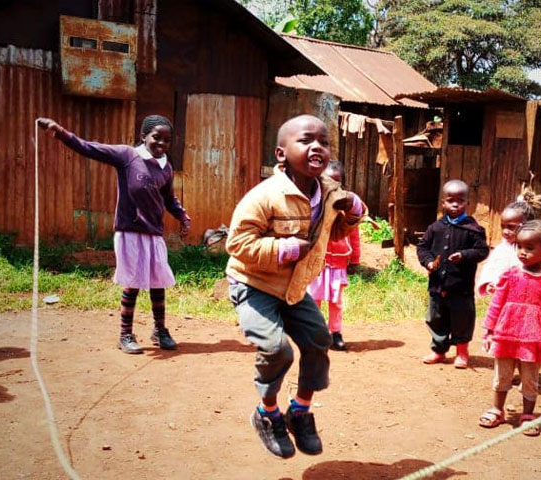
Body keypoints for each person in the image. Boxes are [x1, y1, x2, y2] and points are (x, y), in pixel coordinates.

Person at [225, 114, 367, 459]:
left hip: (294, 287)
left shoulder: (331, 192)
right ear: (281, 153)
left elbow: (336, 232)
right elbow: (237, 244)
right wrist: (282, 248)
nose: (317, 146)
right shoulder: (265, 196)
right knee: (277, 350)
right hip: (254, 283)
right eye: (306, 140)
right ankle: (267, 413)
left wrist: (353, 212)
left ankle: (300, 411)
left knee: (320, 340)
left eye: (324, 141)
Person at [37, 115, 190, 354]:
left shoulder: (166, 167)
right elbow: (89, 148)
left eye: (167, 141)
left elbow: (169, 198)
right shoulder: (128, 156)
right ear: (144, 137)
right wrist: (61, 133)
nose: (161, 144)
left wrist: (182, 215)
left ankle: (159, 330)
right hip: (130, 231)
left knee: (158, 282)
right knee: (132, 283)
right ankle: (125, 335)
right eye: (156, 138)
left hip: (154, 232)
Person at [478, 220, 541, 436]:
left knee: (530, 379)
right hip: (506, 335)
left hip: (534, 340)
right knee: (502, 375)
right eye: (519, 246)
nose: (522, 252)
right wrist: (489, 330)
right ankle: (497, 409)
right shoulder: (511, 274)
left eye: (529, 248)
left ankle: (528, 415)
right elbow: (496, 303)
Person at [417, 179, 489, 369]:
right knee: (436, 318)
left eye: (460, 200)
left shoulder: (473, 229)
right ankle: (439, 351)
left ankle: (462, 353)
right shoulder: (435, 228)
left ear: (468, 203)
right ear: (443, 203)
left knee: (462, 319)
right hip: (437, 285)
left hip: (461, 287)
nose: (455, 204)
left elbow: (482, 251)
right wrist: (429, 262)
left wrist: (465, 255)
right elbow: (423, 248)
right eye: (450, 200)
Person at [307, 160, 360, 351]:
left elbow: (354, 233)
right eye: (327, 182)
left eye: (337, 183)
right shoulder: (313, 204)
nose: (332, 187)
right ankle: (316, 333)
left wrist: (355, 259)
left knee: (336, 301)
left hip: (338, 262)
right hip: (316, 262)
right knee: (314, 299)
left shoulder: (347, 206)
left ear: (342, 185)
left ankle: (335, 333)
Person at [476, 187, 541, 295]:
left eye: (511, 227)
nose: (505, 231)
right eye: (503, 227)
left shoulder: (538, 251)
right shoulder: (501, 249)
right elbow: (491, 268)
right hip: (503, 299)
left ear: (527, 225)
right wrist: (490, 283)